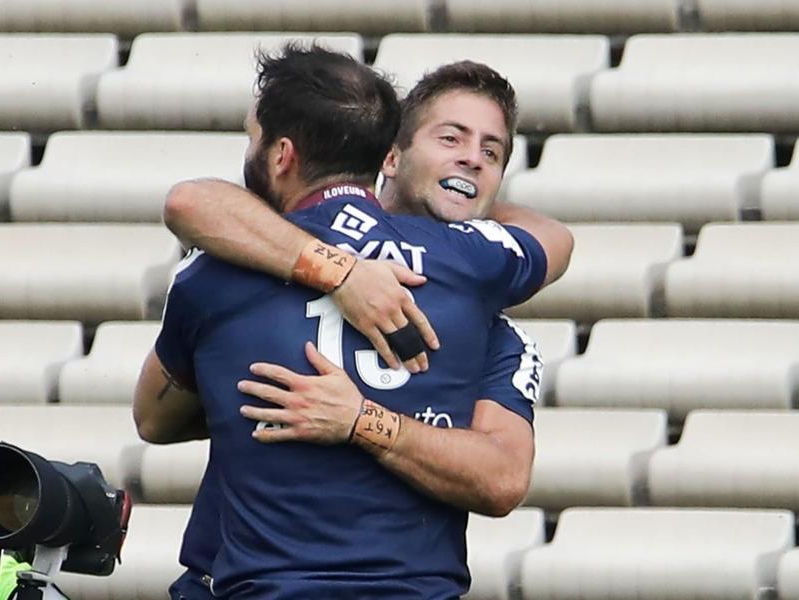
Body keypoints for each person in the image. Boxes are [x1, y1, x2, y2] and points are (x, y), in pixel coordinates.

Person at [135, 46, 572, 598]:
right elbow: (553, 240)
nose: (472, 159)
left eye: (493, 151)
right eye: (450, 138)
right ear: (390, 155)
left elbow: (153, 417)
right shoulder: (475, 270)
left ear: (281, 154)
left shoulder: (217, 268)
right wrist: (343, 273)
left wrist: (359, 418)